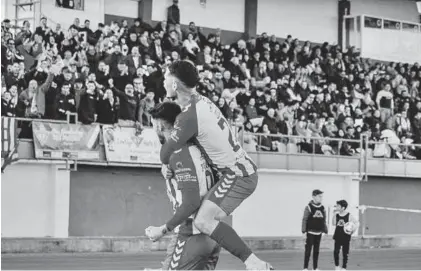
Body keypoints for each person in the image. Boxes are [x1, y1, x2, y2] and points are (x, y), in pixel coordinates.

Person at [159, 60, 272, 270]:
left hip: (237, 173)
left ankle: (254, 263)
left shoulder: (188, 116)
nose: (163, 81)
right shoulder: (202, 102)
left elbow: (166, 151)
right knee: (206, 221)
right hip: (240, 169)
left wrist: (165, 164)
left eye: (165, 77)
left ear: (174, 84)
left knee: (202, 221)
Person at [145, 102, 220, 270]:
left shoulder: (179, 154)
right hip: (211, 231)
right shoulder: (198, 148)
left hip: (191, 234)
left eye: (152, 124)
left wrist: (163, 229)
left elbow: (191, 202)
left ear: (160, 124)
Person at [301, 189, 328, 271]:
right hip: (310, 232)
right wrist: (304, 231)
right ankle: (305, 268)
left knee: (316, 251)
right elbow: (304, 219)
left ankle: (315, 267)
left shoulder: (322, 208)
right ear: (313, 197)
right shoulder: (308, 207)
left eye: (321, 197)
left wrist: (325, 231)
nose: (321, 198)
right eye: (319, 196)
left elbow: (324, 220)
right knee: (308, 251)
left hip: (318, 233)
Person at [332, 200, 359, 271]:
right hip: (337, 236)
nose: (336, 207)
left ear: (343, 208)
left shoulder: (349, 215)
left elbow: (357, 223)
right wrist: (334, 214)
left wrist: (353, 230)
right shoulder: (337, 215)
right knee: (336, 252)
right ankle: (337, 266)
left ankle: (344, 267)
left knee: (345, 252)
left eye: (338, 206)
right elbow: (334, 223)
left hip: (346, 237)